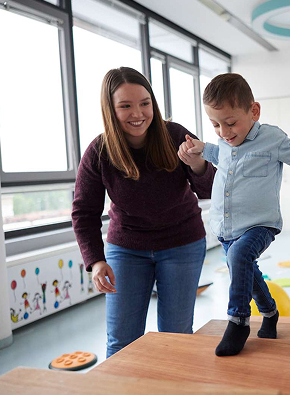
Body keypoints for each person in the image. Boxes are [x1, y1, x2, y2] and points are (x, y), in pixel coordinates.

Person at [178, 73, 290, 357]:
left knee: (241, 257)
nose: (224, 131)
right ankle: (269, 312)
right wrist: (201, 149)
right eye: (215, 124)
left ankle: (238, 321)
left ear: (253, 111)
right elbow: (218, 153)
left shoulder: (271, 138)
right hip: (227, 227)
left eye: (230, 123)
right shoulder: (225, 145)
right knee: (249, 272)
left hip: (260, 225)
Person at [72, 67, 216, 358]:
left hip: (182, 244)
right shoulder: (100, 151)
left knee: (176, 336)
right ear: (111, 110)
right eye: (125, 105)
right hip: (126, 249)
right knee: (122, 340)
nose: (137, 113)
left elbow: (209, 189)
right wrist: (96, 260)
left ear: (153, 103)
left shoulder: (176, 135)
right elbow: (84, 212)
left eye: (144, 103)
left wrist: (199, 164)